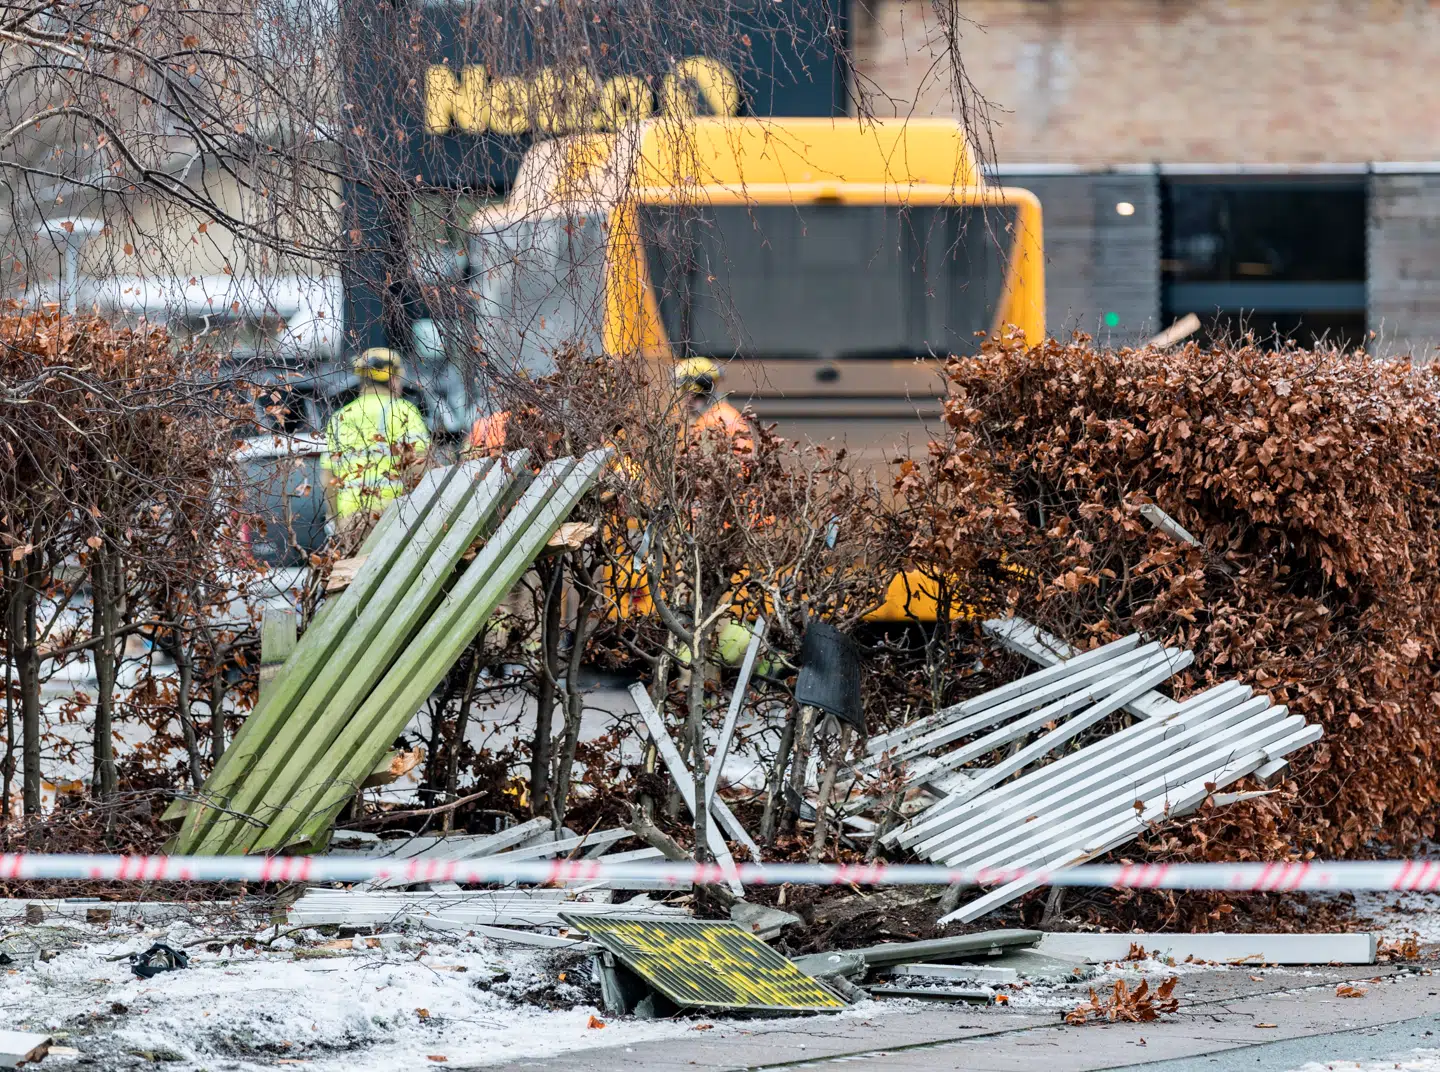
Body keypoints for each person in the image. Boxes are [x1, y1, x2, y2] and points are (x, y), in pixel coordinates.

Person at [322, 347, 431, 552]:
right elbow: (419, 468)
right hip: (393, 515)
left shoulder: (339, 418)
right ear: (392, 379)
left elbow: (329, 478)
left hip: (350, 519)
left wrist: (334, 520)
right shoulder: (404, 411)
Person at [674, 356, 754, 455]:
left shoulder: (711, 422)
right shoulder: (722, 414)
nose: (682, 400)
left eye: (683, 392)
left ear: (693, 393)